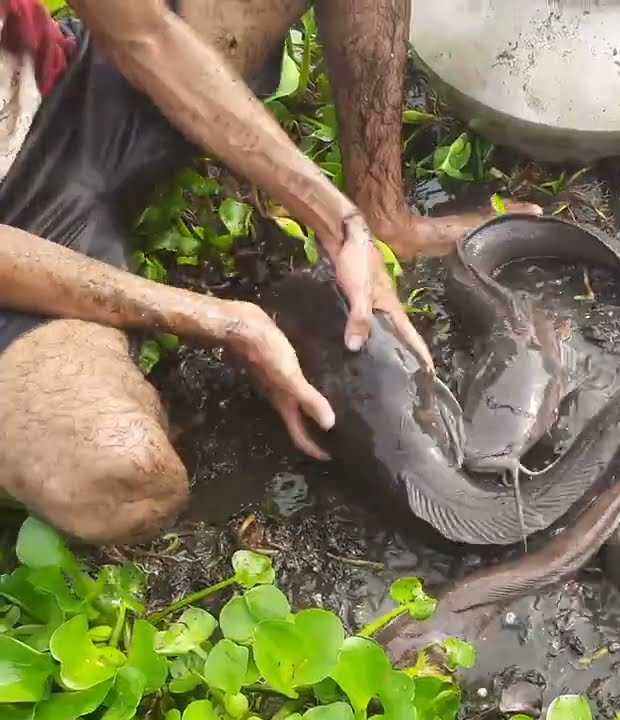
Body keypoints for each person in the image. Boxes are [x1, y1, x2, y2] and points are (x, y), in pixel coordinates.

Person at [0, 0, 540, 545]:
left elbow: (143, 34)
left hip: (52, 98)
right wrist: (222, 321)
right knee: (124, 479)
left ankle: (387, 215)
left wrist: (340, 221)